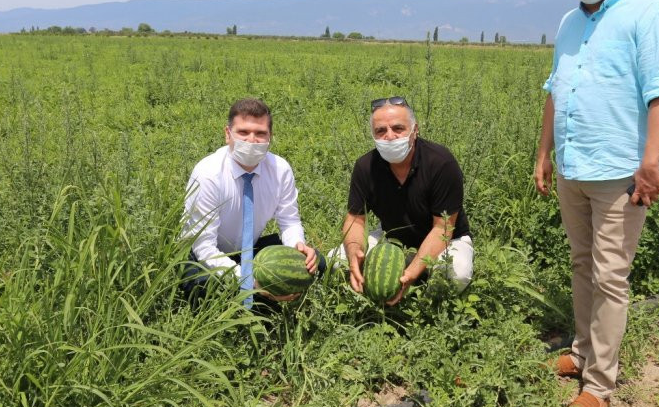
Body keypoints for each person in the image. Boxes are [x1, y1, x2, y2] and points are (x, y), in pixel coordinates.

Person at [534, 0, 659, 407]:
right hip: (574, 166)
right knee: (580, 263)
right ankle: (580, 351)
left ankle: (599, 385)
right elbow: (556, 90)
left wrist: (651, 162)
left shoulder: (647, 13)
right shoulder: (569, 23)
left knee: (610, 275)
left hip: (621, 171)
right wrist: (544, 154)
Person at [181, 98, 322, 310]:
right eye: (243, 132)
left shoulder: (280, 169)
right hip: (206, 256)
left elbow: (289, 221)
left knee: (317, 263)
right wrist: (250, 282)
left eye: (260, 133)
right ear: (228, 134)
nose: (252, 140)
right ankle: (261, 300)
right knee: (201, 285)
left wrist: (297, 250)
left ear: (270, 137)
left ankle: (263, 299)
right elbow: (204, 247)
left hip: (250, 251)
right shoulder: (208, 174)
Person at [337, 96, 474, 306]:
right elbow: (355, 220)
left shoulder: (441, 163)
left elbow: (442, 229)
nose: (390, 136)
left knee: (458, 273)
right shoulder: (365, 167)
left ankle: (426, 309)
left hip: (448, 241)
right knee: (338, 260)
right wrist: (355, 251)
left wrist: (411, 272)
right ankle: (376, 297)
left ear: (415, 130)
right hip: (392, 240)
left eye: (398, 128)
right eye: (380, 131)